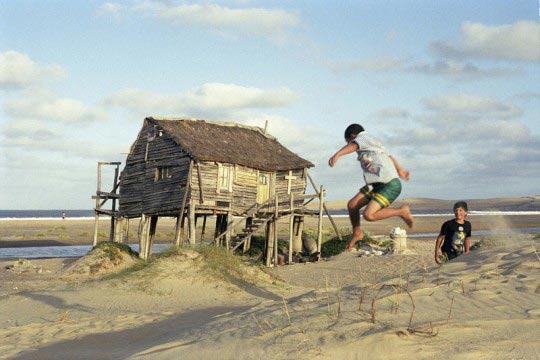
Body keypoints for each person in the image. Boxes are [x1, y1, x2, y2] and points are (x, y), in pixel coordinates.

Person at [328, 123, 414, 250]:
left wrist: (337, 154)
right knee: (352, 205)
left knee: (369, 215)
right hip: (375, 184)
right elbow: (389, 157)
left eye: (348, 141)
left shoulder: (363, 137)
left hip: (389, 184)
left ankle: (401, 211)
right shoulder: (374, 144)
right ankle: (357, 233)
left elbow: (353, 145)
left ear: (352, 136)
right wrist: (400, 169)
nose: (349, 145)